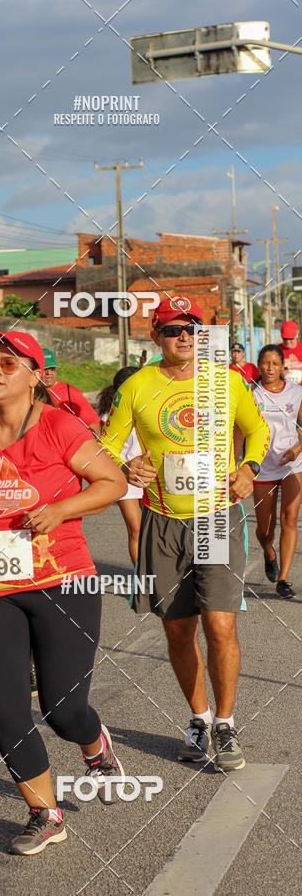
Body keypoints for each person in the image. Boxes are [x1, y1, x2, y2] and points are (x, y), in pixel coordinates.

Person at [0, 329, 127, 856]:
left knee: (63, 709)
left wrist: (61, 509)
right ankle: (45, 814)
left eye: (7, 362)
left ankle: (94, 746)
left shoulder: (58, 427)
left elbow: (111, 482)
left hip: (62, 582)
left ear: (34, 373)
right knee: (5, 707)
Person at [100, 295, 270, 773]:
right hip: (162, 520)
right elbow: (106, 446)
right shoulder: (136, 386)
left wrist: (249, 468)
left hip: (216, 515)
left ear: (201, 335)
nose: (183, 337)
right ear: (155, 336)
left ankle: (226, 722)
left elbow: (257, 430)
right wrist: (125, 464)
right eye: (173, 329)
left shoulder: (227, 381)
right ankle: (198, 719)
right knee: (177, 628)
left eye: (192, 329)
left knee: (220, 624)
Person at [250, 345, 302, 598]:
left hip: (292, 464)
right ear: (259, 365)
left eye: (274, 363)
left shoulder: (296, 392)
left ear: (283, 366)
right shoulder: (252, 393)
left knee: (289, 519)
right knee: (265, 528)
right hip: (262, 466)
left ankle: (284, 579)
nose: (269, 368)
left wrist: (298, 449)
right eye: (265, 363)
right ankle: (269, 553)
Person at [98, 367, 142, 565]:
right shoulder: (109, 419)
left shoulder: (152, 410)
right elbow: (104, 451)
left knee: (157, 531)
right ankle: (144, 579)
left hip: (153, 475)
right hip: (126, 477)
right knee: (136, 529)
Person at [41, 348, 101, 435]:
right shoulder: (30, 391)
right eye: (45, 369)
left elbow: (94, 424)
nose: (49, 372)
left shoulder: (71, 393)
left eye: (52, 368)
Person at [279, 321, 302, 385]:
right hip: (283, 390)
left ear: (297, 333)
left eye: (291, 338)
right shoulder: (276, 351)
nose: (288, 342)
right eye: (285, 339)